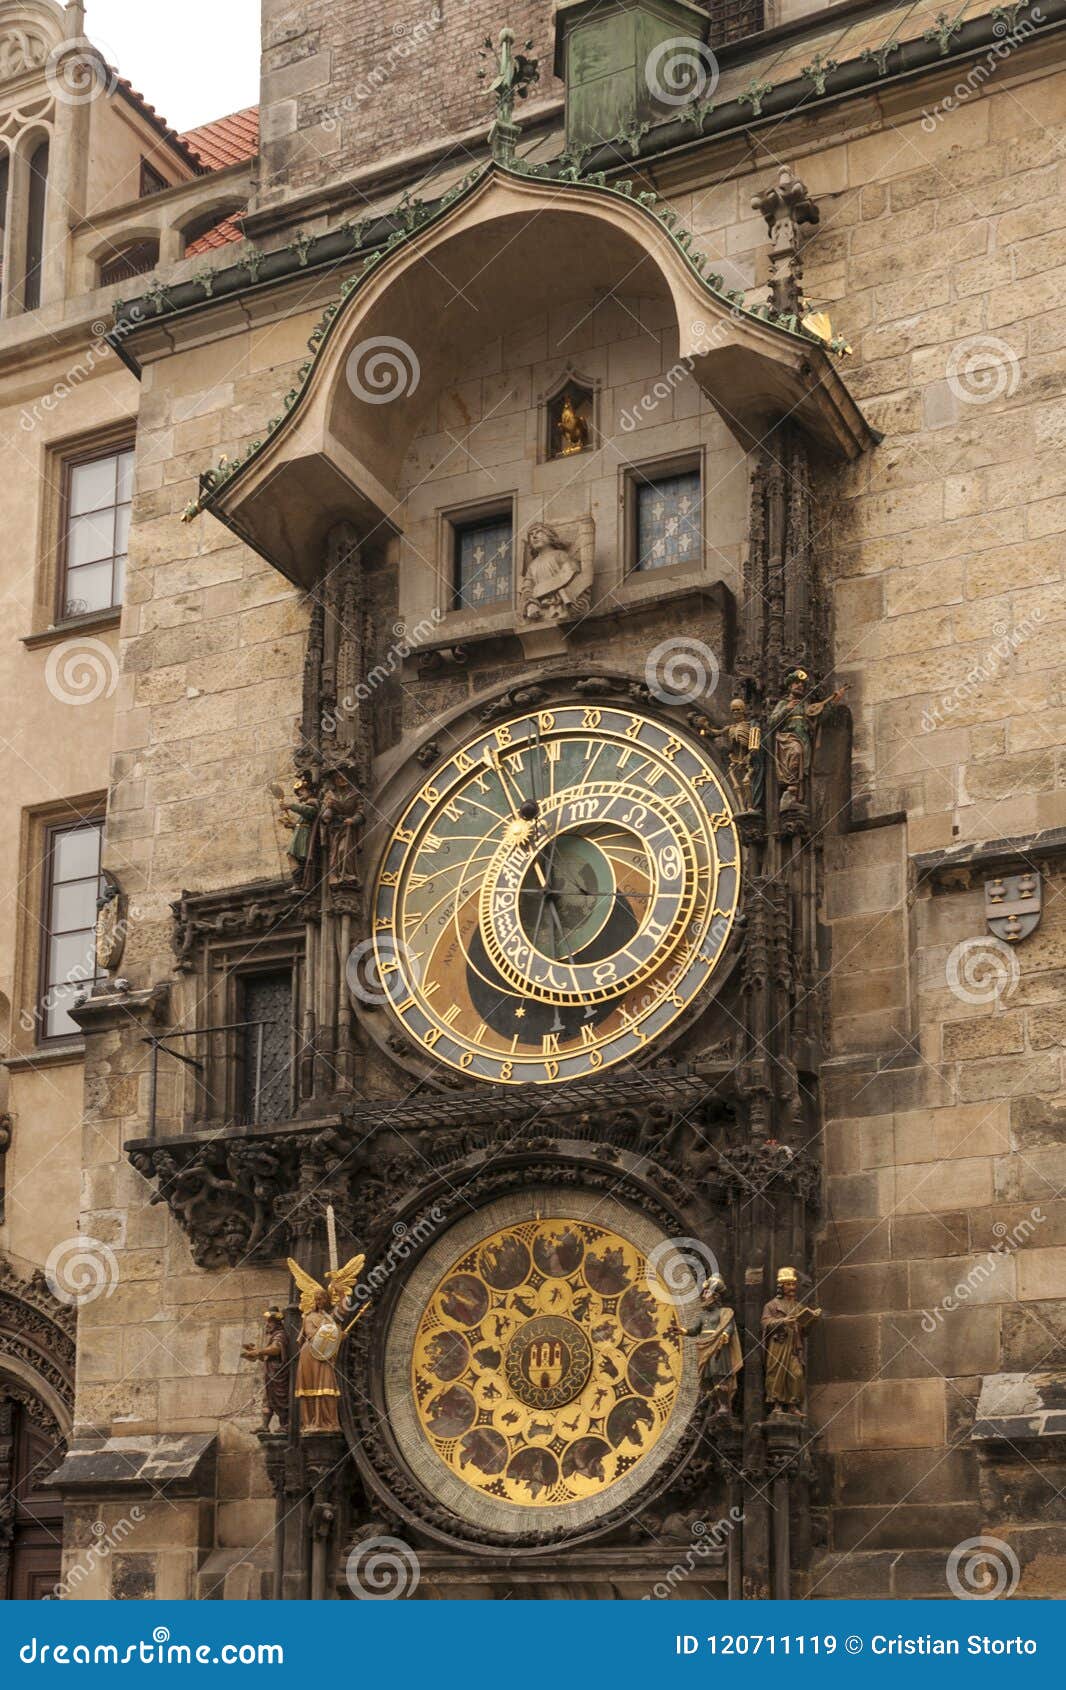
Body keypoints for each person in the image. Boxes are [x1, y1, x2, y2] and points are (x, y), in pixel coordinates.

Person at [761, 1267, 821, 1416]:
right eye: (788, 1285)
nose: (792, 1288)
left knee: (797, 1374)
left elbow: (805, 1331)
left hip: (794, 1345)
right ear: (781, 1286)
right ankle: (777, 1404)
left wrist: (812, 1320)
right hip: (778, 1344)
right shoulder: (771, 1305)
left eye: (793, 1285)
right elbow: (765, 1323)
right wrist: (782, 1322)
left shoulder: (799, 1306)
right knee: (776, 1373)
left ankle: (793, 1405)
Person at [686, 1274, 743, 1416]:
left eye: (707, 1292)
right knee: (707, 1379)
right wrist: (682, 1330)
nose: (704, 1295)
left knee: (719, 1375)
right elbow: (694, 1330)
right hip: (704, 1347)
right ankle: (716, 1405)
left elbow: (728, 1326)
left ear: (716, 1296)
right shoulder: (702, 1316)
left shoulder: (724, 1312)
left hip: (718, 1346)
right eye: (704, 1292)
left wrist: (725, 1335)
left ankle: (724, 1405)